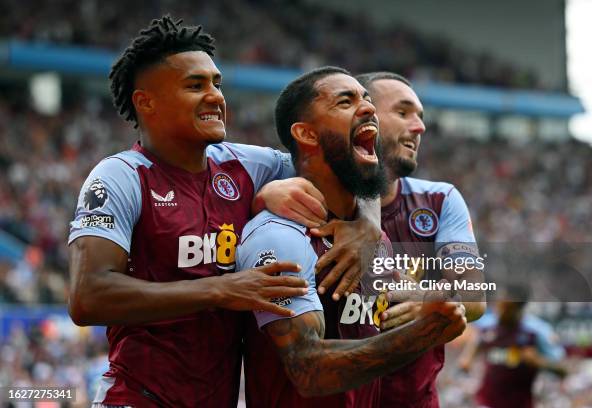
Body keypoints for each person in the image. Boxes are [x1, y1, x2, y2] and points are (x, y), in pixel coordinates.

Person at [68, 17, 379, 407]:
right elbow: (88, 296)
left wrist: (368, 225)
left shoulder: (248, 166)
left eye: (217, 83)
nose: (215, 96)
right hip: (137, 396)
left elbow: (345, 167)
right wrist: (221, 289)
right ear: (147, 101)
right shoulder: (119, 176)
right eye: (195, 85)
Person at [236, 66, 467, 407]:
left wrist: (426, 303)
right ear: (307, 134)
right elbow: (307, 369)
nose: (367, 108)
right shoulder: (279, 235)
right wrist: (423, 333)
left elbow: (467, 296)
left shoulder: (377, 239)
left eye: (368, 100)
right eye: (346, 101)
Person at [356, 71, 486, 407]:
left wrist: (427, 298)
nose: (419, 127)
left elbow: (474, 296)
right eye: (403, 113)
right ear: (362, 117)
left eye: (420, 116)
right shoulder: (308, 194)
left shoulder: (440, 200)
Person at [459, 287, 567, 408]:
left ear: (519, 308)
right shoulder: (488, 325)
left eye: (507, 308)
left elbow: (563, 369)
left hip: (520, 403)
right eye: (499, 306)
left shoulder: (537, 331)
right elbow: (476, 342)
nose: (500, 312)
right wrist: (468, 358)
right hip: (486, 401)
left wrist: (539, 361)